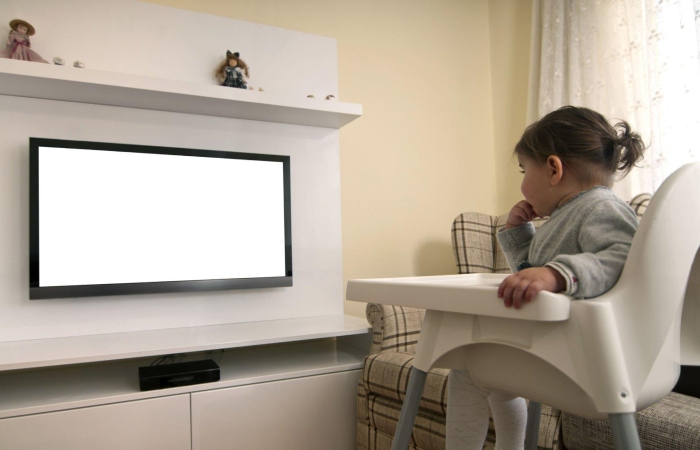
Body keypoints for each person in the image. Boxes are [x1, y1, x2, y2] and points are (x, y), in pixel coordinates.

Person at [446, 105, 646, 450]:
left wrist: (558, 274)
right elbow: (529, 276)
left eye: (524, 170)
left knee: (466, 371)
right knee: (490, 377)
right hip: (557, 347)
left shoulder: (602, 206)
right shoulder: (566, 215)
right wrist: (518, 232)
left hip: (583, 356)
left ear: (554, 169)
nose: (522, 184)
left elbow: (625, 258)